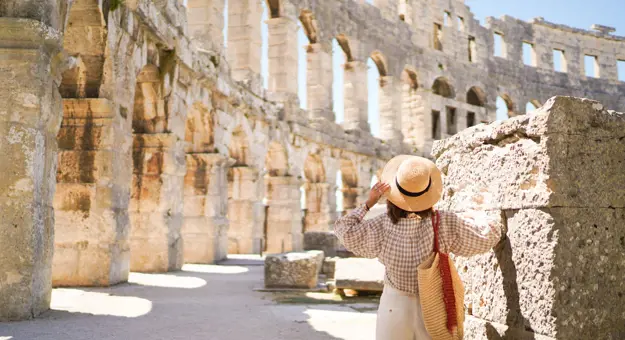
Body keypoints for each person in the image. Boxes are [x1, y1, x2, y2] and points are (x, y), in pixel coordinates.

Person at [334, 155, 503, 340]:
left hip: (394, 305)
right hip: (434, 306)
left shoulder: (381, 225)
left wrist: (369, 203)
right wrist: (487, 213)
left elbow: (344, 229)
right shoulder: (444, 222)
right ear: (428, 191)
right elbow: (486, 237)